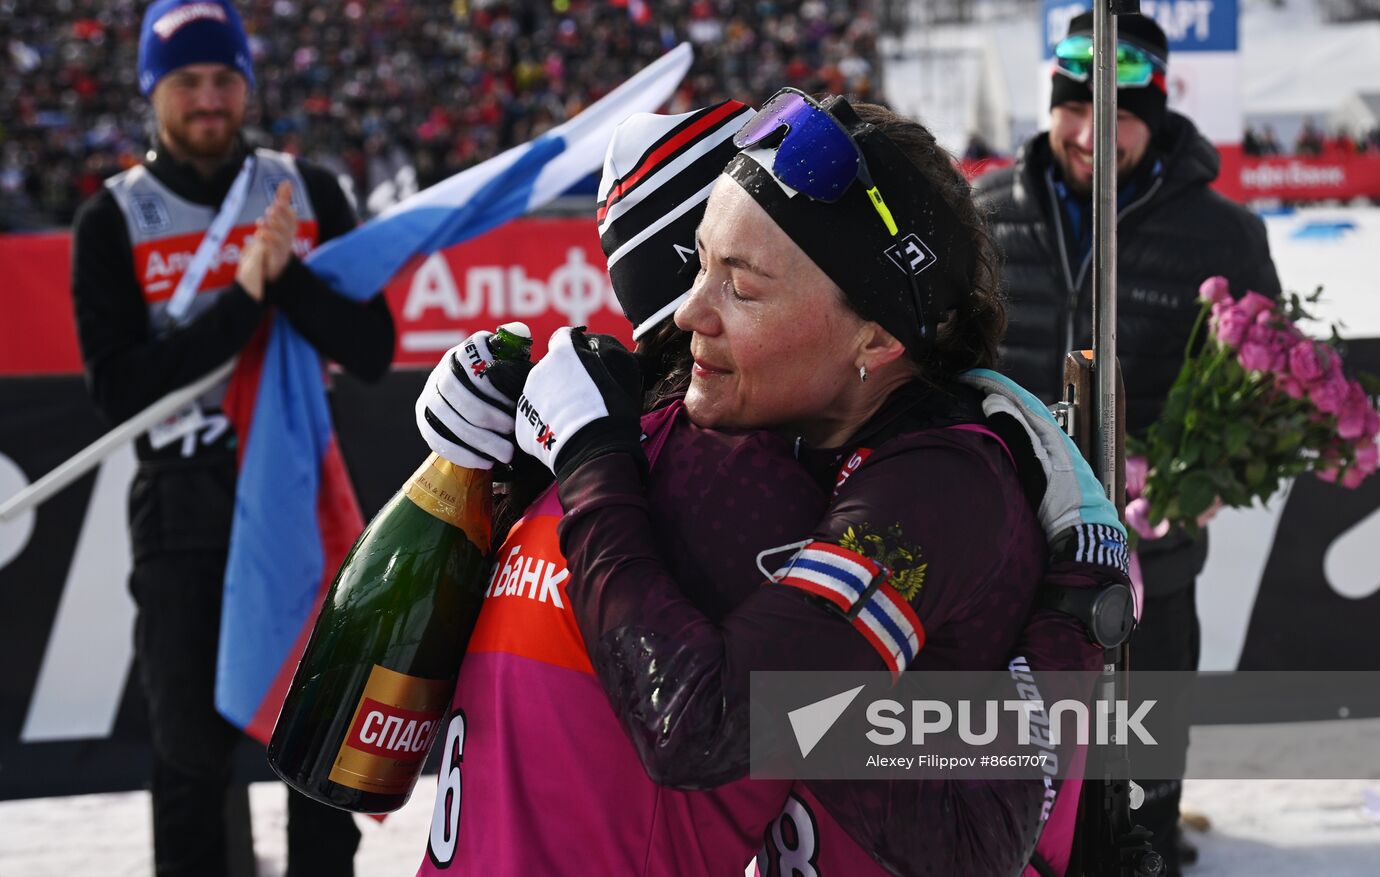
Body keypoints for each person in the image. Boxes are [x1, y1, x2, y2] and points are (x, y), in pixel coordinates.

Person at [479, 90, 1091, 875]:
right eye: (700, 262)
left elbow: (698, 726)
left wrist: (594, 461)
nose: (690, 313)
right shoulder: (814, 424)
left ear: (875, 338)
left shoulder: (932, 490)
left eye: (742, 286)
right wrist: (505, 452)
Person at [68, 2, 394, 875]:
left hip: (298, 489)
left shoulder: (308, 190)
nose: (208, 99)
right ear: (152, 92)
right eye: (186, 84)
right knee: (188, 754)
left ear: (246, 83)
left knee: (316, 746)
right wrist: (245, 295)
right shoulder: (114, 219)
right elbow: (119, 390)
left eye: (224, 79)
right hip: (183, 506)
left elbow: (372, 350)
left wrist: (285, 280)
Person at [972, 13, 1282, 875]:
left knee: (1146, 731)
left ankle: (1152, 844)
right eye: (1072, 111)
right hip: (1013, 544)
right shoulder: (987, 210)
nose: (1086, 134)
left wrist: (1214, 468)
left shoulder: (1225, 234)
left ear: (1154, 113)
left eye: (1111, 116)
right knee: (1018, 744)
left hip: (1155, 544)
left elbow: (1269, 382)